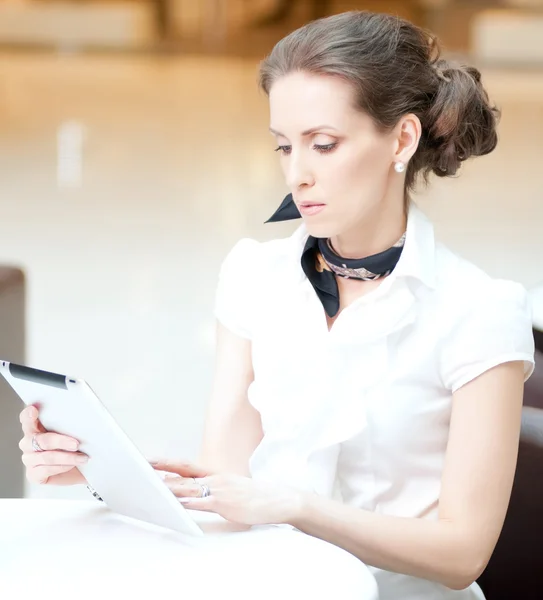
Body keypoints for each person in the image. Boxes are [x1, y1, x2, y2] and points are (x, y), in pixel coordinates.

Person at [18, 11, 535, 600]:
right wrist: (98, 470)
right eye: (285, 146)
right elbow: (228, 484)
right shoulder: (254, 276)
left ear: (402, 138)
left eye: (323, 144)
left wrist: (296, 507)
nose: (298, 174)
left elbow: (462, 553)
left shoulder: (480, 312)